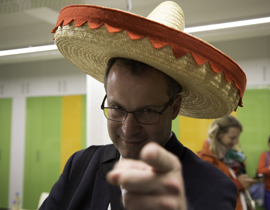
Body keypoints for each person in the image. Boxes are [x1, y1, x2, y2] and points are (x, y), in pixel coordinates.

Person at [40, 1, 247, 209]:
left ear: (174, 107)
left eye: (147, 111)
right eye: (117, 108)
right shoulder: (80, 167)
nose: (128, 129)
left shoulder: (212, 187)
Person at [198, 115, 257, 210]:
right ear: (219, 134)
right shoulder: (205, 160)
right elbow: (207, 192)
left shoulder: (234, 156)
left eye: (237, 137)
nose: (236, 141)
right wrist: (238, 184)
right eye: (232, 137)